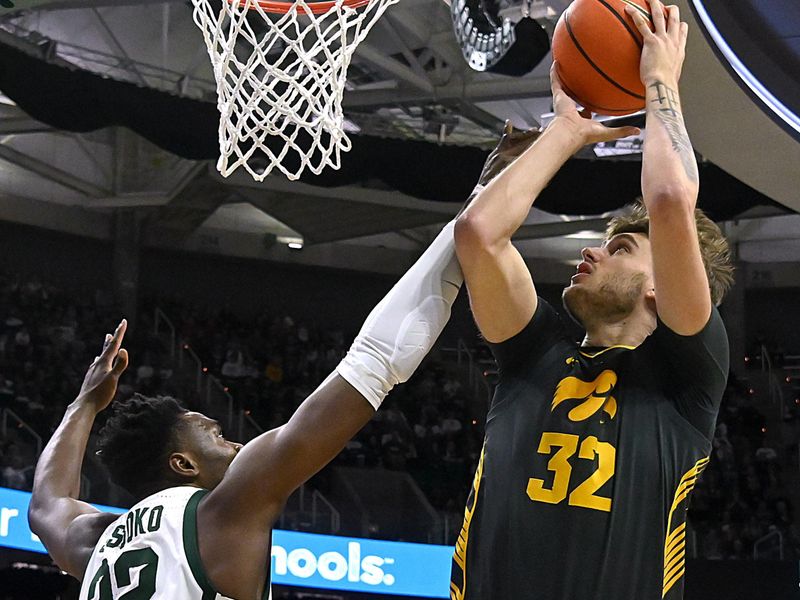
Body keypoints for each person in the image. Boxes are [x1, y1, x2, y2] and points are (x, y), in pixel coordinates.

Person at [450, 2, 734, 599]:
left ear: (660, 286)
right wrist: (566, 130)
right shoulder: (535, 352)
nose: (593, 254)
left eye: (621, 248)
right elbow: (478, 235)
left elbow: (669, 198)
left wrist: (659, 79)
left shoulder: (686, 379)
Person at [28, 213, 465, 599]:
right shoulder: (220, 514)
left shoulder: (96, 542)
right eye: (217, 436)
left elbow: (48, 503)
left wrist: (83, 405)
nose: (237, 446)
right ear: (183, 464)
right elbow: (374, 360)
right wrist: (470, 221)